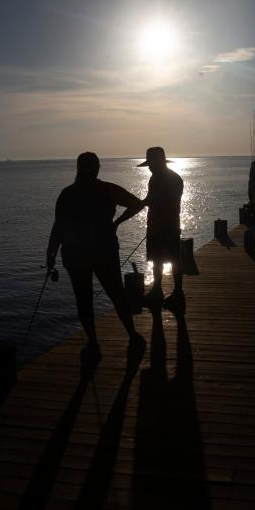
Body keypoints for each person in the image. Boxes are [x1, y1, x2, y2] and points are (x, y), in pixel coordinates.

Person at [46, 152, 146, 362]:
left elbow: (58, 227)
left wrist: (50, 254)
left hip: (74, 254)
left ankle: (93, 343)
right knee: (117, 294)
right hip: (104, 251)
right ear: (98, 168)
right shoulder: (107, 190)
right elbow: (138, 204)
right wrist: (117, 222)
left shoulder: (67, 194)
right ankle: (133, 335)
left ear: (78, 168)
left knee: (84, 300)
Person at [136, 146, 185, 312]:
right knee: (162, 259)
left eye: (151, 164)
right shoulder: (173, 178)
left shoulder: (161, 179)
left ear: (158, 163)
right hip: (166, 225)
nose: (149, 167)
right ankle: (159, 290)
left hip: (164, 226)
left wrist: (136, 205)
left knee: (171, 259)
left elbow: (153, 200)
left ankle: (176, 293)